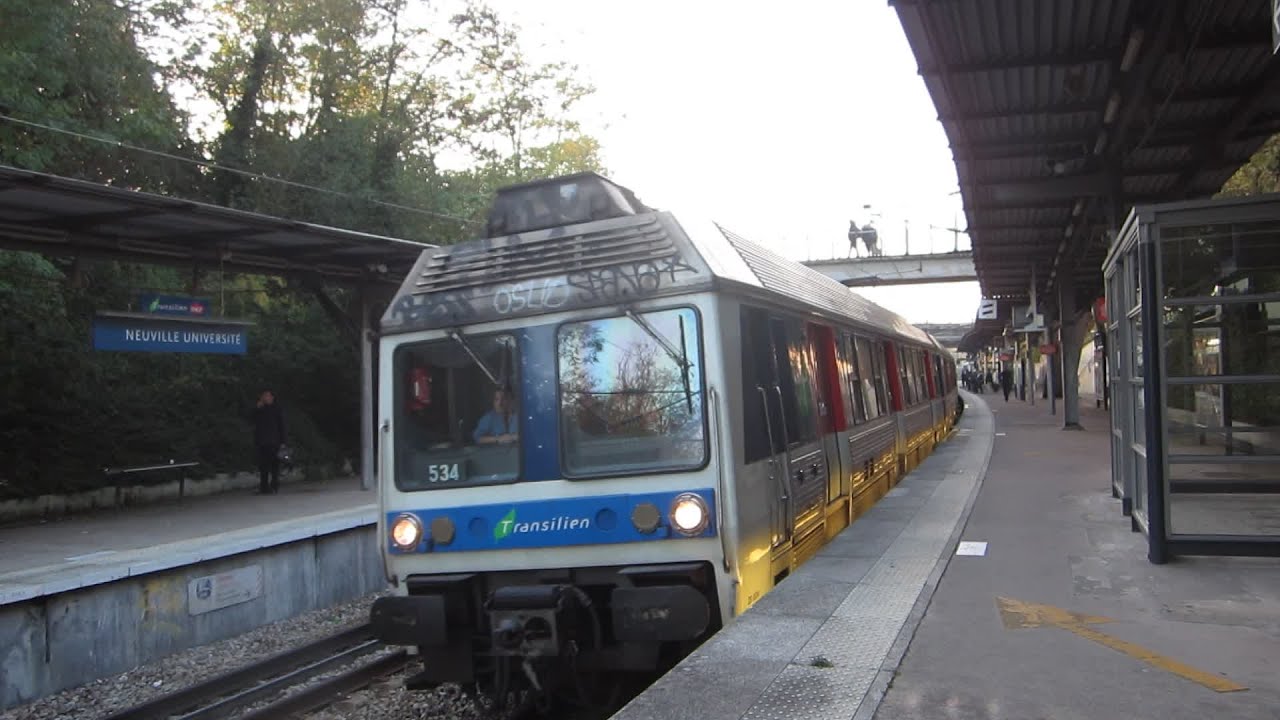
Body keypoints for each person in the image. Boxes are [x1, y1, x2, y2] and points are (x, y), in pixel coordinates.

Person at [252, 389, 286, 494]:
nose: (265, 398)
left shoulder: (277, 409)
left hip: (274, 441)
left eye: (267, 396)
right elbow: (250, 419)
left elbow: (282, 426)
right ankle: (264, 487)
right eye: (263, 396)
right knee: (263, 466)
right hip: (262, 441)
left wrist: (283, 442)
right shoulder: (259, 409)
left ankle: (274, 485)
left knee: (275, 465)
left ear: (272, 397)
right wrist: (257, 408)